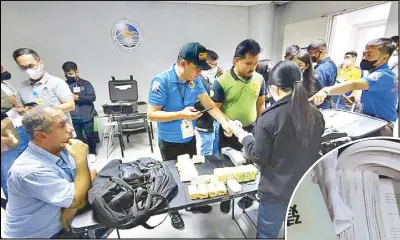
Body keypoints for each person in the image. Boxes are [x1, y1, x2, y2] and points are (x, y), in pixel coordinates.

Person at [229, 61, 325, 238]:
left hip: (276, 191)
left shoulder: (270, 117)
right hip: (303, 188)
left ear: (275, 88)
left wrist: (242, 135)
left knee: (267, 234)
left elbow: (258, 156)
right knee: (296, 232)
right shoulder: (316, 114)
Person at [147, 42, 233, 230]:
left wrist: (225, 122)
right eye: (196, 68)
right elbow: (152, 114)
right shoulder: (161, 81)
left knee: (192, 173)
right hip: (169, 141)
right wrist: (181, 114)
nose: (199, 73)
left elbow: (209, 104)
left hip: (189, 138)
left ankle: (195, 203)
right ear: (184, 63)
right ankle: (173, 210)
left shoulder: (196, 81)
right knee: (171, 179)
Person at [2, 105, 102, 238]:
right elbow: (78, 198)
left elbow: (92, 173)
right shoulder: (29, 170)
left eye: (66, 121)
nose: (70, 128)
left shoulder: (63, 147)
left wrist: (72, 207)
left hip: (61, 224)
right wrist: (81, 161)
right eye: (62, 125)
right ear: (40, 135)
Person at [211, 39, 266, 213]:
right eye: (249, 63)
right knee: (227, 166)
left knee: (250, 165)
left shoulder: (259, 78)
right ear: (236, 60)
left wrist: (261, 126)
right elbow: (216, 109)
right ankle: (226, 198)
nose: (253, 67)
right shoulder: (222, 81)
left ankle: (247, 196)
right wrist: (230, 124)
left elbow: (260, 105)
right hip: (229, 132)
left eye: (256, 63)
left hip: (251, 131)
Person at [310, 38, 398, 136]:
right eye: (364, 54)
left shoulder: (383, 75)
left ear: (384, 58)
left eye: (369, 54)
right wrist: (356, 102)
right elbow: (379, 99)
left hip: (382, 126)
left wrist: (325, 91)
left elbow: (354, 84)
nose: (364, 58)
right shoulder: (373, 73)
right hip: (371, 121)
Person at [12, 48, 75, 127]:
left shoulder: (56, 83)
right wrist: (23, 111)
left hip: (60, 133)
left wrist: (44, 111)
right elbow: (20, 109)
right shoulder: (22, 86)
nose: (28, 70)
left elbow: (70, 105)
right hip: (37, 134)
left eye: (31, 66)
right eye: (23, 68)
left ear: (41, 63)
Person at [1, 65, 31, 203]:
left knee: (22, 167)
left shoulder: (5, 84)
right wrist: (11, 106)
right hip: (4, 137)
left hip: (14, 129)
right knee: (9, 173)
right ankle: (15, 206)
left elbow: (14, 101)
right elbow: (10, 102)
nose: (4, 70)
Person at [62, 61, 98, 163]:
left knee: (90, 134)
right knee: (77, 136)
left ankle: (92, 152)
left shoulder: (86, 84)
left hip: (87, 114)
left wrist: (77, 97)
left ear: (77, 71)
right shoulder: (63, 86)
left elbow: (92, 97)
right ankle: (81, 155)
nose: (69, 76)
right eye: (67, 74)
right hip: (73, 116)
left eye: (71, 74)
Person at [194, 50, 223, 156]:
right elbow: (196, 103)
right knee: (207, 152)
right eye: (211, 65)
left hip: (215, 121)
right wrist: (212, 103)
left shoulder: (215, 78)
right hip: (204, 122)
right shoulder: (197, 80)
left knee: (216, 149)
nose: (214, 68)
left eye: (216, 65)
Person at [308, 39, 338, 109]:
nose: (310, 56)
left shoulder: (321, 69)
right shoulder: (332, 64)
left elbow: (314, 91)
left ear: (319, 51)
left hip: (318, 106)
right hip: (326, 104)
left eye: (311, 53)